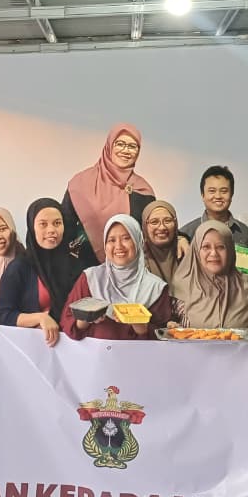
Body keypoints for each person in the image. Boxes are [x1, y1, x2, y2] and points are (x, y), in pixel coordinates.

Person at [61, 214, 172, 341]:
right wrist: (86, 318)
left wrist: (141, 327)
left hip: (138, 354)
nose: (118, 246)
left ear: (138, 241)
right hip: (95, 353)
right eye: (111, 240)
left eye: (126, 238)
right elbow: (68, 326)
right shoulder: (90, 278)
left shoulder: (155, 287)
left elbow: (163, 336)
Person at [0, 198, 85, 347]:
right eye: (43, 224)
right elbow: (3, 316)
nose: (51, 230)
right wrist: (40, 318)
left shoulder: (76, 265)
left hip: (71, 347)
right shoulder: (19, 267)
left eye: (57, 223)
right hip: (32, 348)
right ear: (32, 227)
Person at [61, 124, 156, 262]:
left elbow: (154, 230)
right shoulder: (81, 182)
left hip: (127, 269)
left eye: (132, 146)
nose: (126, 150)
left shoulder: (143, 191)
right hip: (82, 267)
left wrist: (182, 238)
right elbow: (64, 226)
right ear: (109, 146)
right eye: (120, 144)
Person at [169, 220, 248, 332]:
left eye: (221, 247)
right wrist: (173, 327)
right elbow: (172, 326)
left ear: (230, 250)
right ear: (196, 251)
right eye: (206, 247)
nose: (214, 253)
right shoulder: (182, 287)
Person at [179, 165, 248, 243]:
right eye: (212, 191)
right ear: (203, 195)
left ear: (231, 195)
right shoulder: (186, 234)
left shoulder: (245, 233)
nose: (218, 196)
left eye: (224, 191)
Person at [141, 200, 183, 283]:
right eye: (154, 222)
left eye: (167, 221)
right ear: (145, 226)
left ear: (175, 223)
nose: (162, 227)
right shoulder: (137, 261)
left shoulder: (188, 253)